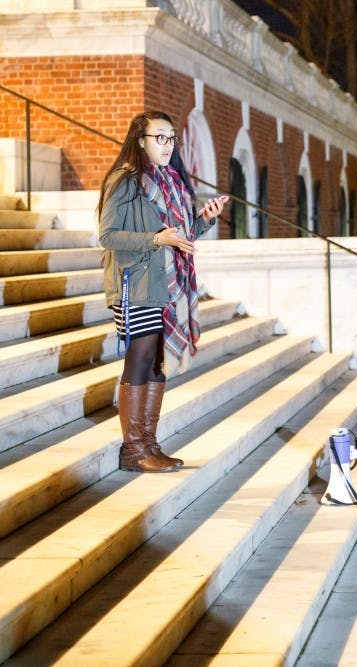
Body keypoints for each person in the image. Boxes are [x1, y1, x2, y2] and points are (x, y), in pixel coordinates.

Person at [99, 111, 226, 473]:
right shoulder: (126, 181)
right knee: (139, 359)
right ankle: (134, 449)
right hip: (136, 283)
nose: (167, 145)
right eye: (159, 137)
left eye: (171, 138)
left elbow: (181, 239)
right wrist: (156, 239)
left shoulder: (174, 183)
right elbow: (108, 236)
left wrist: (205, 218)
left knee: (157, 361)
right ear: (141, 141)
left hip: (166, 286)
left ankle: (149, 444)